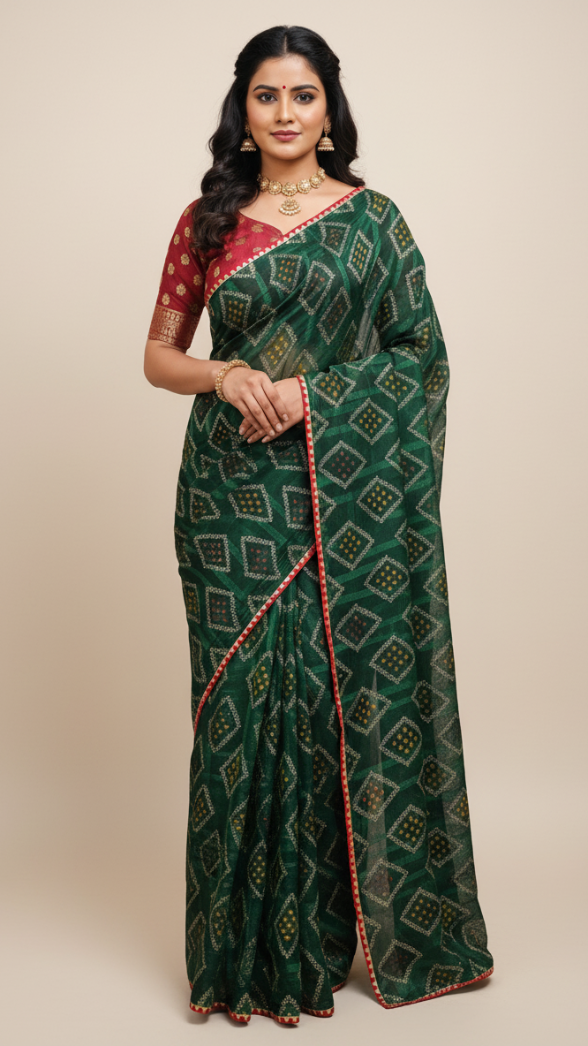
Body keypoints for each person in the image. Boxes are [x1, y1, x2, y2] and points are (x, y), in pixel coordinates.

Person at [144, 24, 494, 1026]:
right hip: (228, 496)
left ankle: (319, 941)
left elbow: (420, 358)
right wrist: (228, 372)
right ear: (242, 110)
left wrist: (309, 395)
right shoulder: (205, 223)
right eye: (267, 95)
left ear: (330, 108)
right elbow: (159, 354)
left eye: (304, 94)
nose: (286, 113)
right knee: (241, 709)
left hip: (336, 491)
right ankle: (239, 956)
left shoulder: (376, 222)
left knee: (323, 703)